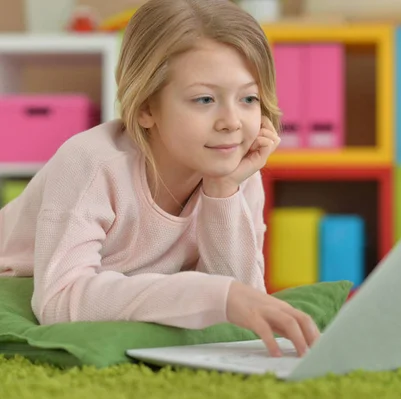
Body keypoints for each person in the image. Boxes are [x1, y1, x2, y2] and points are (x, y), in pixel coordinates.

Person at [0, 0, 319, 358]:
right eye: (204, 99)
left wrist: (223, 191)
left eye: (248, 98)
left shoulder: (234, 170)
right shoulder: (92, 163)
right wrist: (214, 295)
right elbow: (59, 301)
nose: (232, 121)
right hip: (17, 280)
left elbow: (240, 310)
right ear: (147, 107)